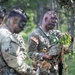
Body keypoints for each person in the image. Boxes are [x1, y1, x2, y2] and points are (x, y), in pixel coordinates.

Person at [28, 11, 73, 75]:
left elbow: (65, 41)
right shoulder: (35, 35)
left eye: (55, 23)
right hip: (42, 71)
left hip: (55, 70)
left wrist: (68, 40)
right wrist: (43, 55)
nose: (54, 25)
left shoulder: (55, 33)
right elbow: (31, 53)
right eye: (52, 23)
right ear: (45, 19)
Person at [0, 8, 38, 75]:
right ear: (14, 21)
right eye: (22, 24)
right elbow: (15, 62)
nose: (23, 28)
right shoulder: (6, 36)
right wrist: (33, 73)